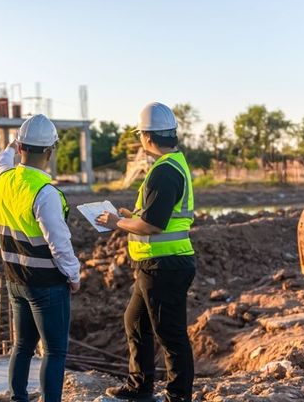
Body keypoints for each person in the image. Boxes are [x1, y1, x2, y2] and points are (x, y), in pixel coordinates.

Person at [96, 102, 196, 402]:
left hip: (165, 265)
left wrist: (117, 222)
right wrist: (131, 216)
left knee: (171, 335)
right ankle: (140, 387)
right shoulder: (172, 164)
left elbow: (152, 226)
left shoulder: (164, 172)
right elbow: (152, 215)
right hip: (155, 265)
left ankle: (178, 396)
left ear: (148, 137)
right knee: (135, 321)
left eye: (140, 135)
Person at [0, 114, 81, 402]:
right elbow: (59, 243)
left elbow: (1, 160)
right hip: (46, 285)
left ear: (20, 148)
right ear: (50, 152)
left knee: (22, 346)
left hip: (15, 280)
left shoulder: (3, 180)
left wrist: (9, 145)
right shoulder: (46, 193)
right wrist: (73, 274)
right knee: (55, 351)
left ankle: (18, 398)